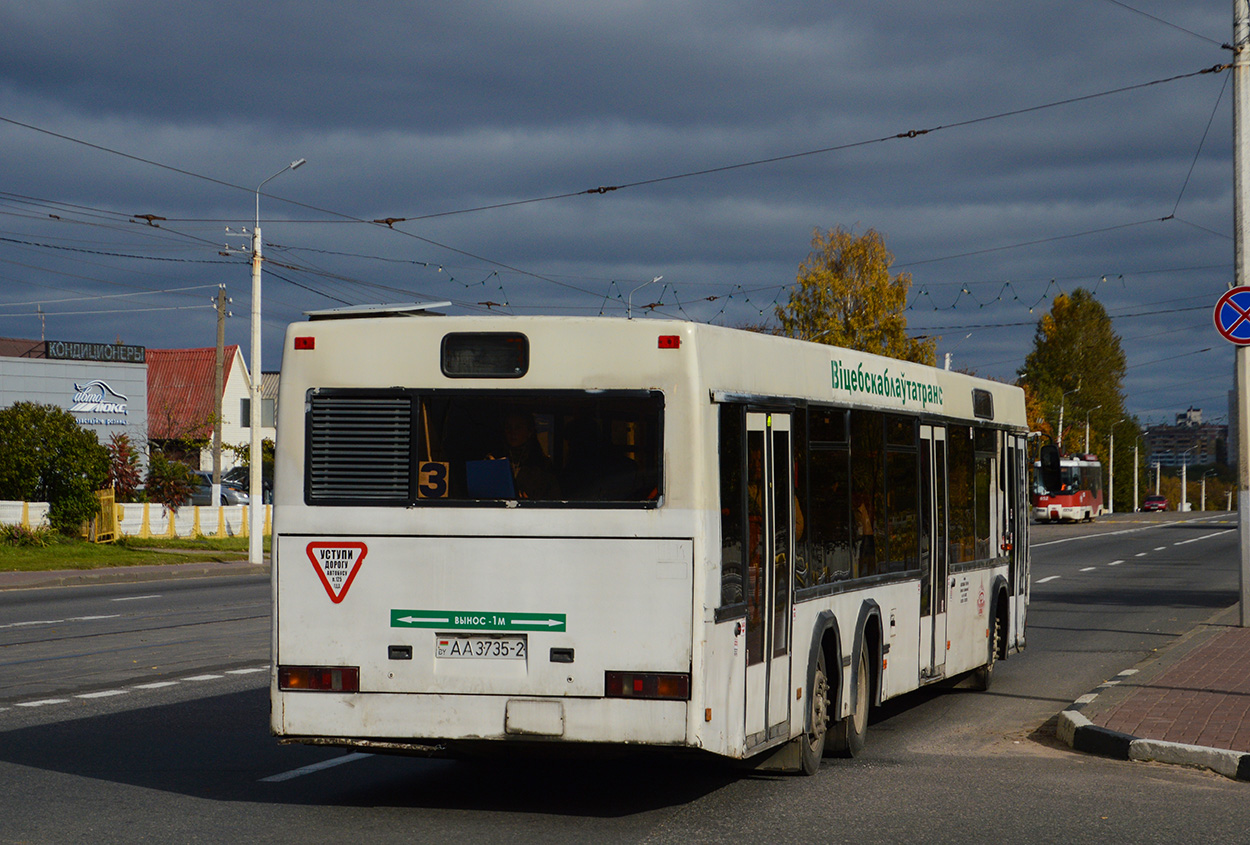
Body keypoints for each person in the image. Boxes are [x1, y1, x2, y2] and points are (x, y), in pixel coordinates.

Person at [502, 412, 561, 500]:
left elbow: (554, 499)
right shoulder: (495, 460)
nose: (512, 432)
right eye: (508, 427)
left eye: (518, 427)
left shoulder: (542, 465)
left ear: (529, 432)